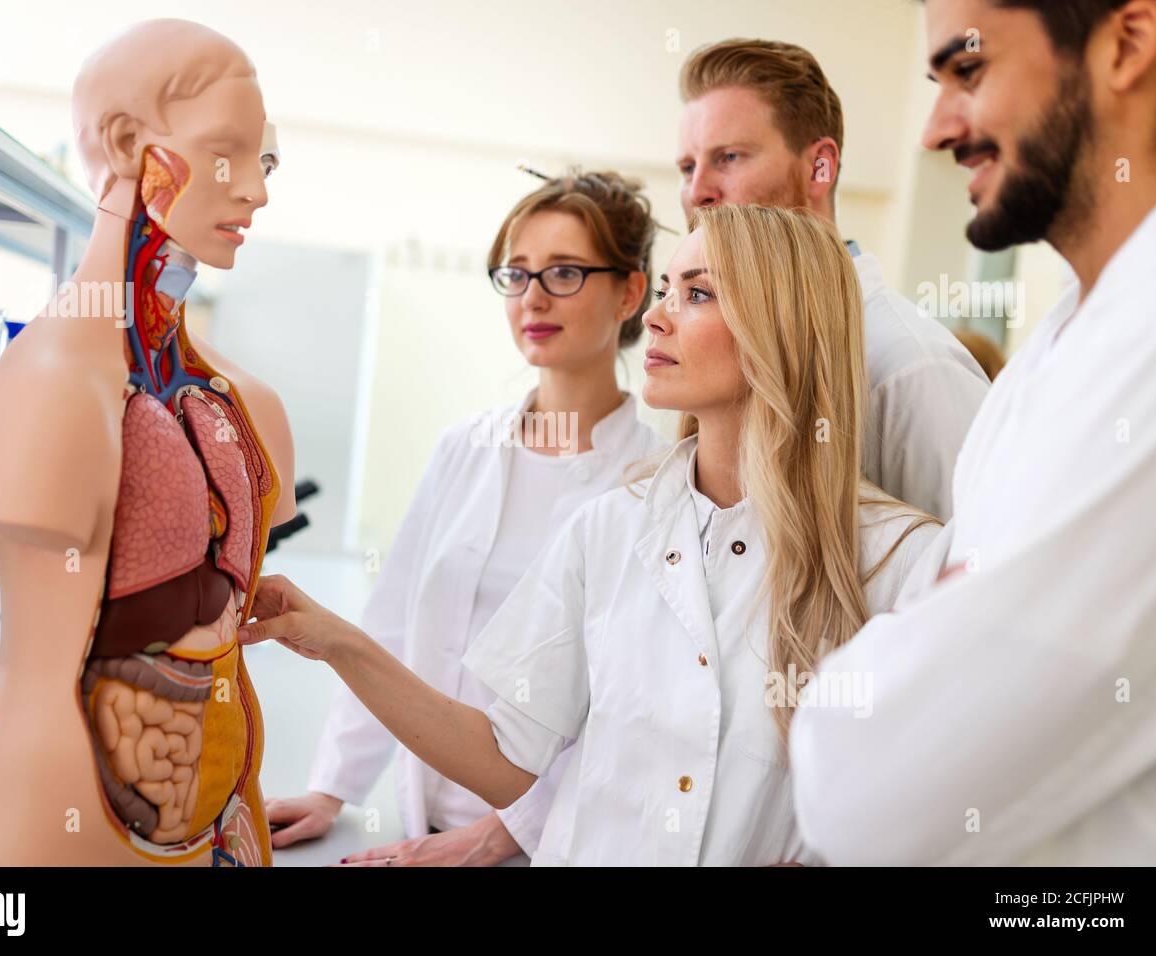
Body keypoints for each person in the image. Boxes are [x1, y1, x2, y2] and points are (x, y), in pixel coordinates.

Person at [241, 204, 941, 866]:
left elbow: (927, 807)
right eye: (668, 289)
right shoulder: (609, 527)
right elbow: (507, 756)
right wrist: (339, 643)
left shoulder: (898, 560)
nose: (659, 319)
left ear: (785, 326)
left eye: (697, 295)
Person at [790, 0, 1156, 865]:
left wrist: (918, 641)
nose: (936, 130)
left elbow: (871, 792)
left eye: (969, 70)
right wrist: (942, 625)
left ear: (1129, 44)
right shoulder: (1055, 346)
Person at [265, 170, 665, 865]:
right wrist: (333, 788)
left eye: (565, 272)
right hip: (420, 822)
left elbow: (631, 711)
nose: (532, 297)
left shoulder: (654, 484)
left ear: (630, 292)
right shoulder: (466, 448)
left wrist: (499, 837)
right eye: (516, 274)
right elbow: (391, 627)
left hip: (555, 845)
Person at [676, 38, 990, 520]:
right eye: (687, 167)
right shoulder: (714, 352)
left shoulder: (914, 370)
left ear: (819, 168)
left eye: (729, 158)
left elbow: (962, 575)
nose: (698, 192)